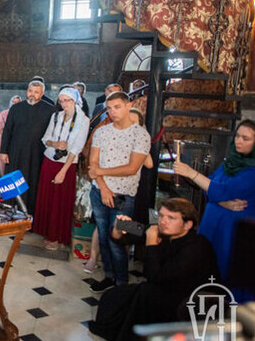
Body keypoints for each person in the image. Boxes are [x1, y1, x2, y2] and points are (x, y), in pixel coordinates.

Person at [88, 198, 219, 341]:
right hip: (164, 287)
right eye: (161, 215)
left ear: (187, 225)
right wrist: (118, 227)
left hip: (190, 300)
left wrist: (151, 243)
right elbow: (121, 237)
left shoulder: (197, 246)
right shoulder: (161, 230)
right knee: (113, 297)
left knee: (144, 294)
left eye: (171, 218)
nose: (163, 221)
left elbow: (154, 276)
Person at [173, 119, 255, 301]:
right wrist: (222, 202)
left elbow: (222, 190)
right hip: (212, 227)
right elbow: (210, 186)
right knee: (204, 271)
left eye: (246, 138)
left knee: (225, 275)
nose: (239, 141)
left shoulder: (252, 170)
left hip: (231, 233)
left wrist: (191, 173)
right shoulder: (231, 163)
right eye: (237, 137)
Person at [88, 91, 151, 292]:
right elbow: (93, 164)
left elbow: (132, 168)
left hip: (124, 195)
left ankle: (121, 284)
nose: (112, 112)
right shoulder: (102, 132)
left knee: (117, 239)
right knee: (104, 237)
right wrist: (104, 187)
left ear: (128, 105)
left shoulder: (140, 134)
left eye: (117, 107)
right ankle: (108, 276)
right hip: (99, 192)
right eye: (109, 108)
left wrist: (100, 172)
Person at [33, 87, 90, 250]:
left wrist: (63, 172)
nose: (64, 104)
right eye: (61, 100)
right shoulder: (56, 117)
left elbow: (76, 148)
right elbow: (46, 138)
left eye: (68, 100)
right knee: (48, 197)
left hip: (66, 165)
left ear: (75, 100)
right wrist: (55, 144)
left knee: (60, 201)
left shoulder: (83, 120)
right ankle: (46, 231)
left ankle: (57, 237)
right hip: (50, 159)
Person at [0, 80, 56, 214]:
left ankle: (29, 216)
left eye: (36, 92)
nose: (32, 95)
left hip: (36, 154)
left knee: (32, 183)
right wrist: (3, 152)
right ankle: (9, 214)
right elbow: (7, 131)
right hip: (15, 152)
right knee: (13, 182)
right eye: (30, 91)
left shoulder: (50, 110)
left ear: (41, 94)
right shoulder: (16, 108)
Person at [0, 95, 21, 174]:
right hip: (4, 139)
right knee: (1, 161)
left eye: (17, 102)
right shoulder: (4, 113)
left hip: (16, 140)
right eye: (14, 102)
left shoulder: (21, 114)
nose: (15, 104)